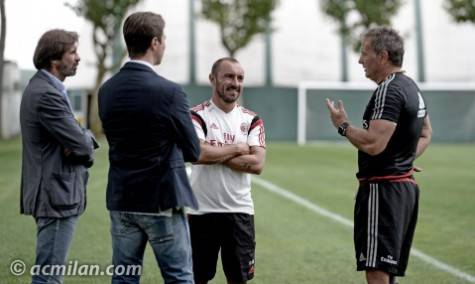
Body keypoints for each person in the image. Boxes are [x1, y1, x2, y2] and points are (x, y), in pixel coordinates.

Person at [98, 11, 200, 284]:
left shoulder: (106, 90)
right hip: (160, 201)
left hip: (121, 199)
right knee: (179, 277)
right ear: (155, 42)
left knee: (123, 279)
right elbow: (193, 150)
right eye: (164, 39)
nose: (165, 44)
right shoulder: (170, 92)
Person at [326, 27, 432, 284]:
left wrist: (342, 126)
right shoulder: (411, 87)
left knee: (376, 270)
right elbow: (426, 133)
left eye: (365, 53)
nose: (360, 60)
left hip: (383, 190)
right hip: (402, 188)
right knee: (386, 268)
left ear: (382, 56)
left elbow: (373, 143)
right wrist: (404, 159)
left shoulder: (389, 89)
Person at [20, 29, 97, 284]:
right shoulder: (46, 94)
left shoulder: (47, 88)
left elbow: (78, 139)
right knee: (48, 278)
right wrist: (82, 141)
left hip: (55, 195)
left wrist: (80, 138)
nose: (78, 58)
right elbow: (82, 146)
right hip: (55, 197)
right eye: (72, 52)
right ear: (55, 59)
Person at [188, 57, 266, 284]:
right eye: (228, 76)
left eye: (240, 77)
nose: (235, 82)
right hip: (202, 211)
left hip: (239, 212)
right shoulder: (196, 115)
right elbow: (198, 155)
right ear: (212, 79)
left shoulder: (252, 120)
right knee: (196, 278)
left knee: (238, 279)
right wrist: (238, 149)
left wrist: (215, 151)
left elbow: (257, 164)